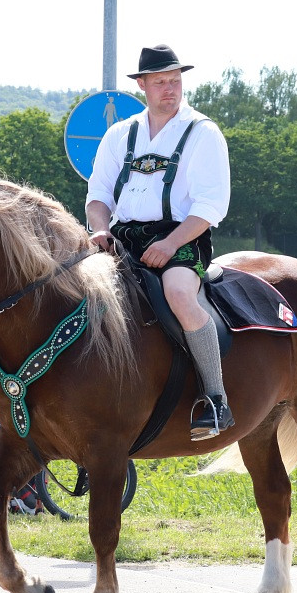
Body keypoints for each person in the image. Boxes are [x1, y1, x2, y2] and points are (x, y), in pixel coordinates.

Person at [86, 44, 233, 440]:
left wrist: (170, 244)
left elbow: (211, 205)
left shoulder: (202, 132)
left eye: (175, 80)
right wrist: (99, 230)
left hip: (183, 236)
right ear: (143, 85)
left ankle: (215, 399)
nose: (170, 88)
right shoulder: (120, 134)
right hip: (122, 236)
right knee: (73, 293)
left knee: (180, 294)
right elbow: (98, 194)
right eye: (161, 81)